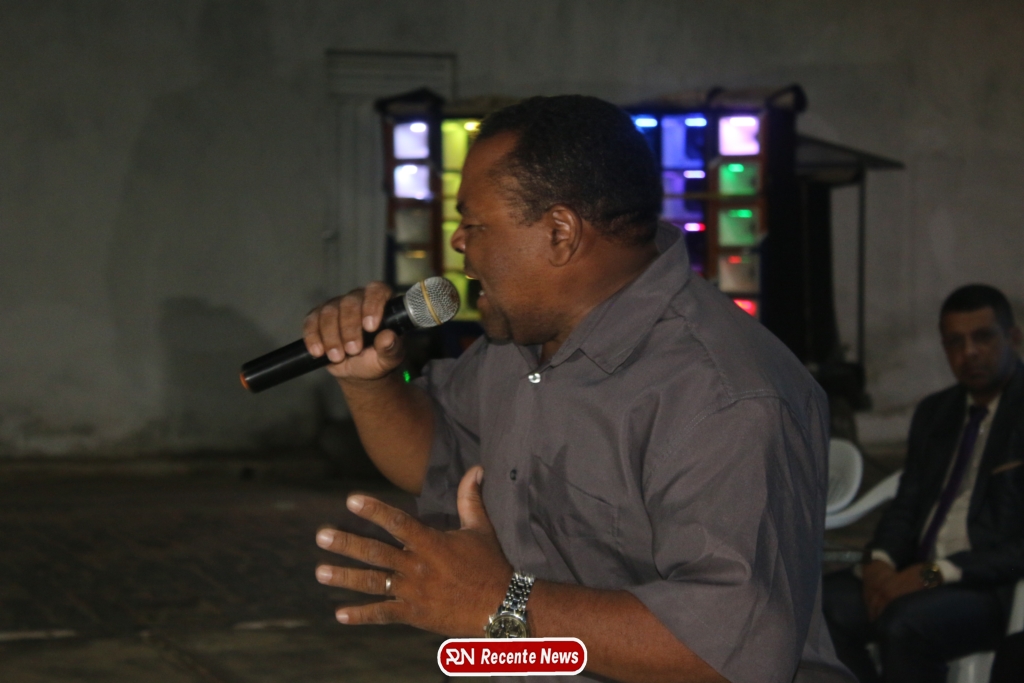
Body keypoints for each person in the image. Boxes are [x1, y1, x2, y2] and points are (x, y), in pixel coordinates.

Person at [304, 95, 852, 683]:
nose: (459, 242)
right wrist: (370, 381)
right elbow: (435, 456)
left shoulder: (724, 395)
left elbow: (731, 653)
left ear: (560, 233)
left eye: (476, 223)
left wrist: (503, 601)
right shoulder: (520, 343)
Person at [823, 284, 1024, 683]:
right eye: (955, 342)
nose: (969, 352)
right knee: (817, 606)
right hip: (915, 570)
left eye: (982, 337)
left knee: (905, 624)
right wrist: (880, 562)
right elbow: (906, 504)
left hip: (988, 586)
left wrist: (935, 573)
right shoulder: (936, 412)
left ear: (1013, 337)